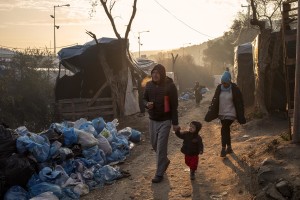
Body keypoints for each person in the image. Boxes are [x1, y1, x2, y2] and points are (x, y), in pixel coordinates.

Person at [143, 64, 179, 183]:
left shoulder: (170, 86)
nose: (155, 75)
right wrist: (146, 104)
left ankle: (159, 173)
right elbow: (144, 99)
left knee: (161, 147)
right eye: (153, 73)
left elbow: (174, 106)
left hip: (165, 120)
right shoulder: (148, 85)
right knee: (154, 145)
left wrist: (175, 123)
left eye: (157, 73)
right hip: (153, 120)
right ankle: (164, 161)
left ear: (162, 74)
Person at [205, 71, 246, 157]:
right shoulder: (219, 88)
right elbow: (215, 100)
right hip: (222, 113)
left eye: (226, 83)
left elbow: (240, 102)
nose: (224, 84)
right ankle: (229, 147)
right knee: (226, 130)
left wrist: (241, 114)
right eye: (223, 82)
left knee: (224, 128)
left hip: (231, 113)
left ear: (229, 81)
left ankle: (223, 149)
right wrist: (211, 111)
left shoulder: (235, 88)